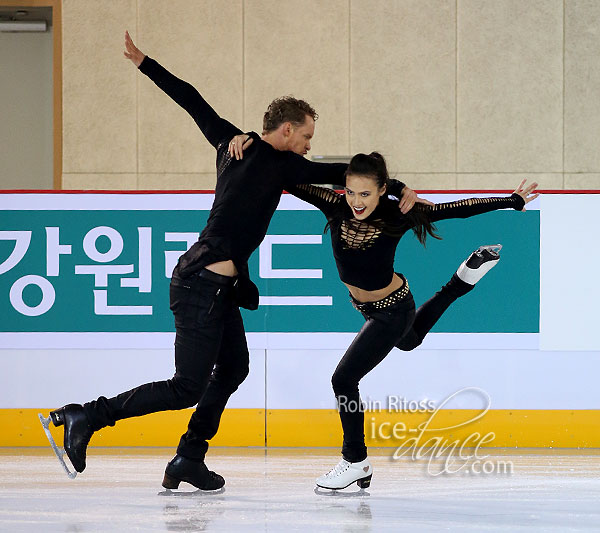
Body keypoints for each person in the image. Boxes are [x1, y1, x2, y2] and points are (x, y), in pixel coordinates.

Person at [41, 33, 423, 492]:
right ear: (286, 131)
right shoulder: (282, 163)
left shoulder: (230, 142)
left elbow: (192, 100)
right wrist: (398, 186)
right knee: (186, 386)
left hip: (212, 286)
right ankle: (88, 415)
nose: (307, 146)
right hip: (201, 284)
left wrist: (145, 62)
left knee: (235, 368)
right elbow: (350, 172)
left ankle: (188, 457)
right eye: (305, 136)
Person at [280, 152, 538, 490]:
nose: (357, 202)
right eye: (351, 192)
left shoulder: (398, 213)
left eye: (366, 194)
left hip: (392, 309)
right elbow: (283, 177)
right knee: (410, 340)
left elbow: (456, 209)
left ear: (382, 190)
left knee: (343, 379)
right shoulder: (335, 205)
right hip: (372, 307)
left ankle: (355, 460)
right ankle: (462, 280)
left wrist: (510, 201)